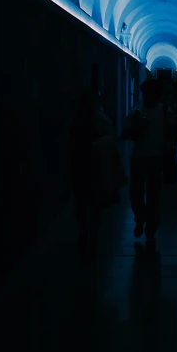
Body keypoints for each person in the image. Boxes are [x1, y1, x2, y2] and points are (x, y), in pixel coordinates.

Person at [68, 88, 126, 257]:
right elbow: (110, 143)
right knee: (93, 205)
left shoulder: (77, 121)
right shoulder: (100, 120)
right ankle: (90, 236)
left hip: (84, 167)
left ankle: (85, 233)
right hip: (92, 167)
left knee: (85, 204)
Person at [122, 79, 175, 243]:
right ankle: (141, 217)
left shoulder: (165, 111)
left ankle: (149, 225)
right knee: (136, 193)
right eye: (145, 94)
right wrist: (136, 127)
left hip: (154, 158)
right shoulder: (136, 111)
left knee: (152, 195)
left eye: (150, 94)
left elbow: (174, 129)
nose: (147, 97)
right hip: (139, 157)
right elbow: (125, 134)